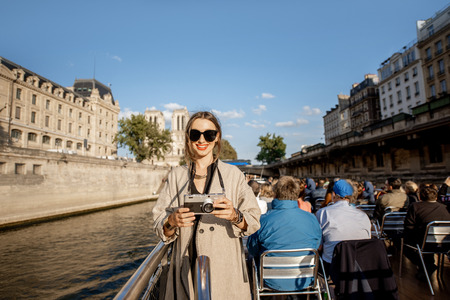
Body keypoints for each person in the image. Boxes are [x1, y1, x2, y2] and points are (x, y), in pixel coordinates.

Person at [152, 111, 261, 300]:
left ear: (217, 137)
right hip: (185, 273)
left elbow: (254, 220)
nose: (201, 140)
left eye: (209, 134)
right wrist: (172, 221)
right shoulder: (176, 176)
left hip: (225, 272)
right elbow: (159, 226)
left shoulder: (233, 175)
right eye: (195, 134)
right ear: (188, 138)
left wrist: (236, 215)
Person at [247, 176, 322, 291]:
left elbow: (252, 249)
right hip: (304, 278)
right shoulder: (311, 219)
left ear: (275, 193)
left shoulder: (263, 220)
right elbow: (317, 245)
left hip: (270, 279)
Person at [316, 179, 371, 272]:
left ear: (334, 195)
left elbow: (319, 246)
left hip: (334, 265)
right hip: (360, 265)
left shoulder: (323, 212)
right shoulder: (363, 215)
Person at [403, 184, 450, 279]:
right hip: (445, 244)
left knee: (405, 246)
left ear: (420, 197)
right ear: (436, 197)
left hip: (423, 242)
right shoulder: (444, 208)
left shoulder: (415, 206)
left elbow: (408, 226)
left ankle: (425, 266)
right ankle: (426, 267)